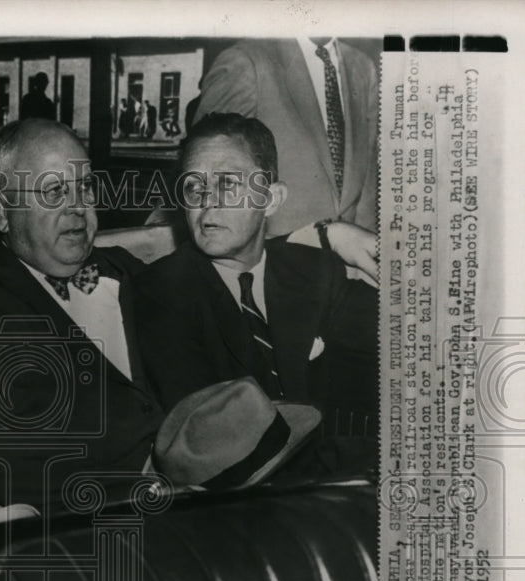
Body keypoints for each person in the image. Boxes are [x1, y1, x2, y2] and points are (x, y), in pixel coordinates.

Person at [0, 118, 163, 508]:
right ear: (1, 211)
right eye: (54, 191)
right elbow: (8, 464)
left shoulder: (127, 270)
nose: (77, 208)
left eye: (84, 187)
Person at [134, 113, 377, 436]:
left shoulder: (317, 271)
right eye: (194, 186)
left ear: (271, 199)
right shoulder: (161, 292)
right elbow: (210, 435)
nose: (207, 202)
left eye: (228, 184)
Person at [194, 37, 378, 240]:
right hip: (273, 258)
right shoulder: (247, 60)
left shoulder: (363, 67)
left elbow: (368, 181)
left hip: (346, 263)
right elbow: (207, 175)